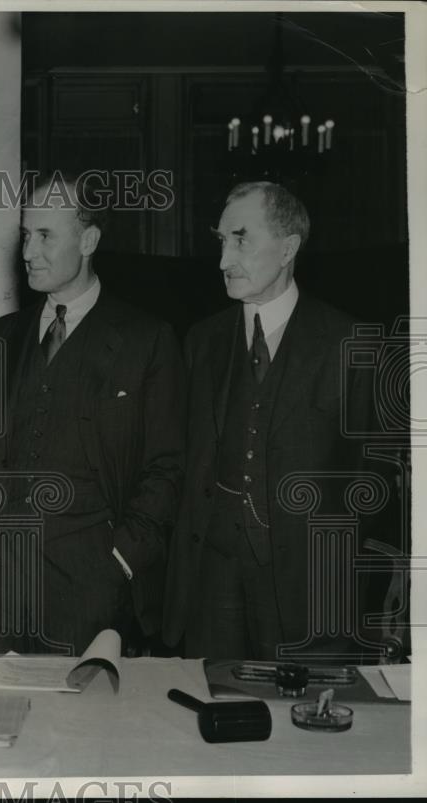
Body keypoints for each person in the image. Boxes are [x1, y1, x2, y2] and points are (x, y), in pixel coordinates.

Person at [0, 173, 185, 654]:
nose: (27, 251)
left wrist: (122, 559)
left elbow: (168, 467)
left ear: (89, 239)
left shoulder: (146, 339)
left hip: (92, 593)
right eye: (24, 236)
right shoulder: (2, 336)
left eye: (45, 236)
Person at [163, 181, 371, 660]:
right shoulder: (201, 341)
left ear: (287, 248)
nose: (222, 261)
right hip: (209, 586)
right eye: (221, 242)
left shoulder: (349, 344)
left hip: (309, 597)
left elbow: (367, 483)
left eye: (240, 240)